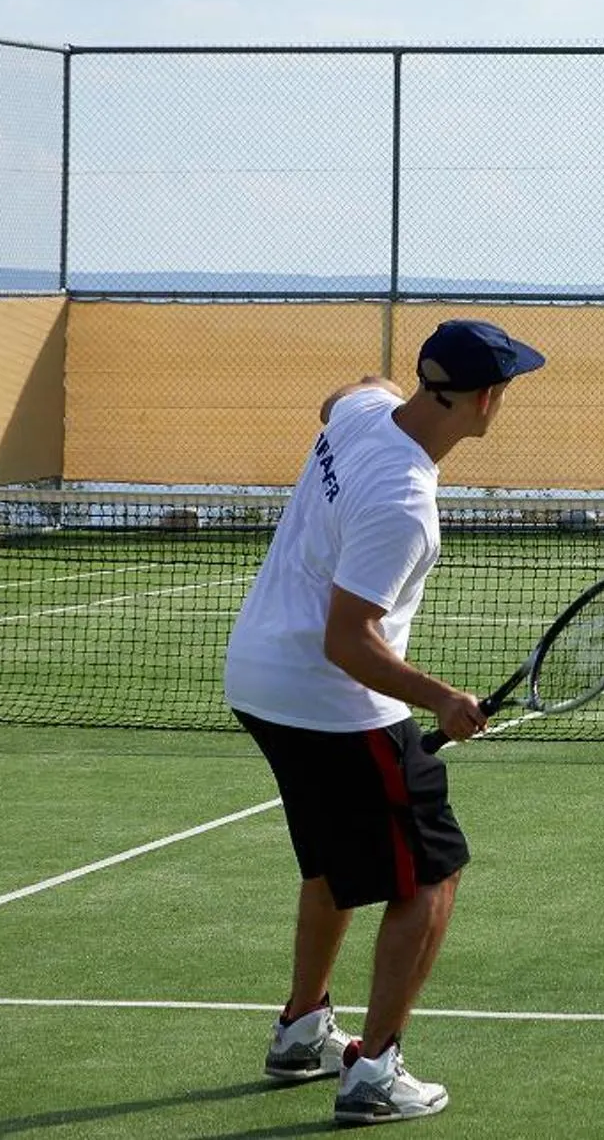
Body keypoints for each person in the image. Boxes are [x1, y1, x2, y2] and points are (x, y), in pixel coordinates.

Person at [224, 317, 547, 1126]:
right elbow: (348, 639)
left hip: (259, 679)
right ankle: (375, 1070)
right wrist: (440, 697)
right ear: (483, 400)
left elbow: (348, 389)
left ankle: (301, 1029)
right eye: (503, 388)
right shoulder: (405, 503)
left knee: (334, 864)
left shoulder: (369, 412)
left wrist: (393, 393)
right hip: (329, 697)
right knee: (431, 874)